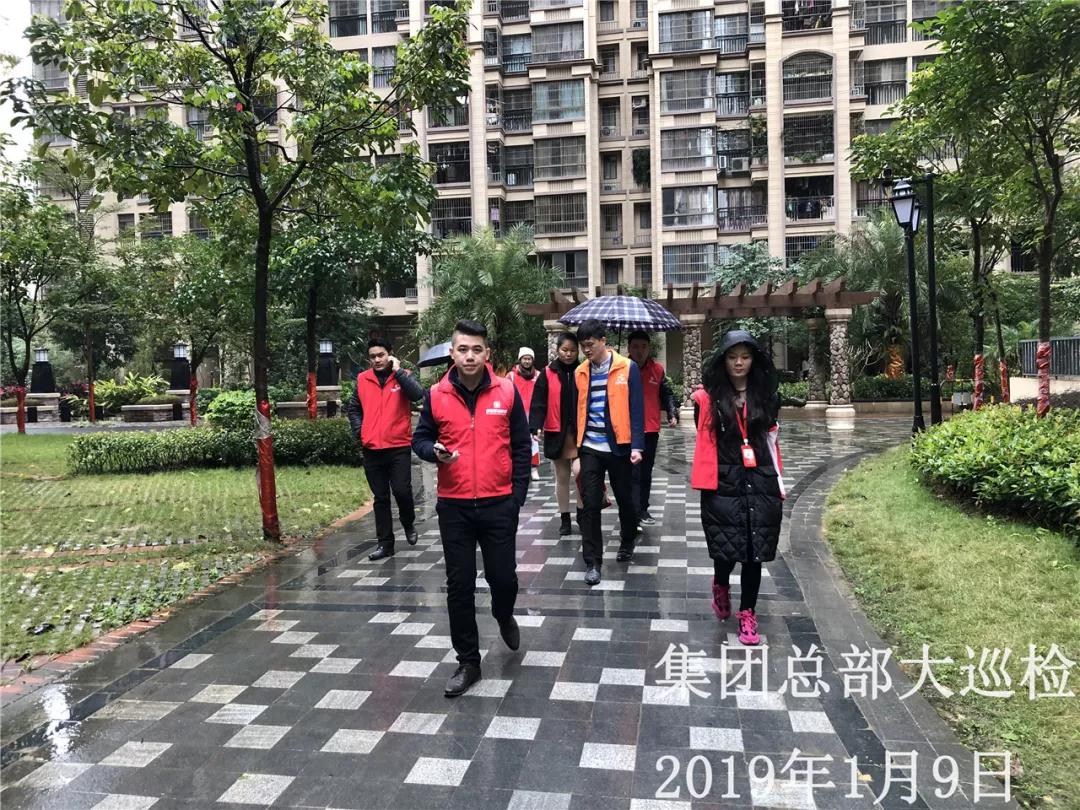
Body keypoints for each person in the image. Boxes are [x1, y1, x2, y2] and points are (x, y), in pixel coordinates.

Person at [412, 319, 532, 697]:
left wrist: (517, 498)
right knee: (459, 585)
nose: (469, 356)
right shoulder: (436, 395)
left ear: (487, 353)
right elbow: (420, 439)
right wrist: (433, 451)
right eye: (462, 349)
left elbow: (521, 446)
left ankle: (503, 613)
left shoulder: (507, 391)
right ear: (452, 353)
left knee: (503, 579)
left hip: (499, 504)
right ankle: (468, 661)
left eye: (476, 349)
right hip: (455, 507)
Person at [690, 330, 785, 645]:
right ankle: (720, 584)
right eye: (732, 357)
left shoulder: (767, 396)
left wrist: (778, 481)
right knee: (726, 549)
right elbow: (705, 438)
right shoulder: (709, 398)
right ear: (723, 360)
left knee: (754, 553)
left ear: (754, 359)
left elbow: (770, 439)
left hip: (760, 479)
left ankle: (748, 613)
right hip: (723, 481)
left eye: (745, 356)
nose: (739, 363)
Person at [574, 319, 644, 586]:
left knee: (625, 498)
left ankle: (627, 539)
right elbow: (576, 408)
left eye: (590, 344)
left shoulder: (627, 367)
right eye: (583, 346)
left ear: (603, 340)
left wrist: (637, 445)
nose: (586, 350)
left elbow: (636, 408)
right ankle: (593, 562)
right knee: (590, 503)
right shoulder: (581, 371)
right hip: (590, 446)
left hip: (620, 446)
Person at [345, 337, 424, 561]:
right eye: (373, 357)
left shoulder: (403, 376)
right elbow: (354, 409)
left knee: (402, 491)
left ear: (390, 354)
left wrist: (398, 372)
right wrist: (360, 432)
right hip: (372, 449)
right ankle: (385, 544)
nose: (377, 360)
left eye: (381, 355)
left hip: (398, 446)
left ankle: (408, 522)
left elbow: (418, 395)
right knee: (380, 498)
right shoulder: (363, 379)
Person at [529, 332, 581, 536]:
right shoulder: (547, 373)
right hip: (557, 431)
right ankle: (565, 518)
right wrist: (535, 425)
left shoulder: (583, 371)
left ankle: (582, 514)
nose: (568, 354)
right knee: (562, 477)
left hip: (580, 432)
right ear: (557, 350)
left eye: (572, 350)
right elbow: (538, 401)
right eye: (564, 350)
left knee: (581, 473)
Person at [626, 331, 679, 529]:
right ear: (629, 348)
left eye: (643, 347)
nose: (639, 351)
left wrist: (672, 412)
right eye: (635, 346)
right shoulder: (622, 369)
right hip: (628, 430)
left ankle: (642, 509)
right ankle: (631, 512)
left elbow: (666, 394)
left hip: (650, 429)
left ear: (649, 348)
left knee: (646, 473)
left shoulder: (657, 370)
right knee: (631, 474)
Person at [507, 346, 541, 481]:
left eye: (529, 359)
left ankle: (534, 468)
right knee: (516, 441)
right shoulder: (511, 376)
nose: (527, 361)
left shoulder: (538, 375)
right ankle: (517, 468)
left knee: (534, 441)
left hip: (533, 414)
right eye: (524, 359)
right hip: (516, 414)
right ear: (520, 359)